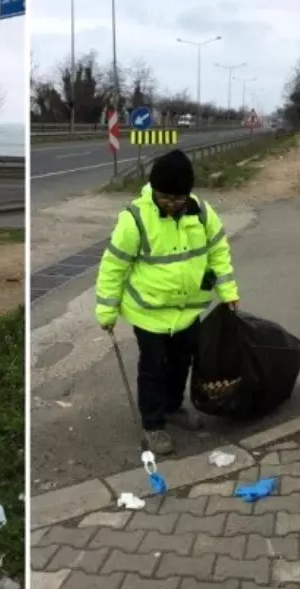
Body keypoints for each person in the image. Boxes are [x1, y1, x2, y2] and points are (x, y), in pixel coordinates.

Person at [95, 149, 239, 455]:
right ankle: (153, 424)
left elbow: (219, 253)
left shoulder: (201, 212)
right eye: (165, 198)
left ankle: (173, 408)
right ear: (154, 190)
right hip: (149, 315)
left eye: (178, 199)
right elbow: (113, 266)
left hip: (188, 312)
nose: (171, 205)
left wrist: (228, 292)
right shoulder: (134, 219)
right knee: (153, 369)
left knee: (181, 363)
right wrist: (106, 309)